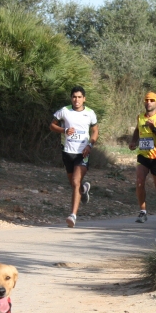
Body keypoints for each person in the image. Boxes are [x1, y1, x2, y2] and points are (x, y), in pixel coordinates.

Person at [50, 86, 98, 228]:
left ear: (84, 99)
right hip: (67, 152)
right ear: (71, 98)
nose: (76, 100)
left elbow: (95, 131)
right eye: (74, 97)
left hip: (82, 153)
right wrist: (64, 130)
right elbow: (52, 125)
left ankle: (73, 215)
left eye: (79, 97)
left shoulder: (90, 113)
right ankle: (84, 189)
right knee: (73, 184)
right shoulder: (64, 111)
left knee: (75, 182)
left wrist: (90, 145)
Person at [128, 92, 156, 227]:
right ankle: (143, 211)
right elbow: (136, 130)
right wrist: (134, 141)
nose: (149, 102)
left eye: (152, 100)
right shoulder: (140, 117)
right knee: (139, 181)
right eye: (146, 100)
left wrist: (155, 130)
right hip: (143, 156)